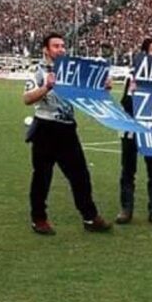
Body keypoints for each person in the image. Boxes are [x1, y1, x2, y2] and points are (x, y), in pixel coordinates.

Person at [22, 32, 111, 235]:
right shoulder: (37, 71)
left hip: (67, 129)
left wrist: (103, 87)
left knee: (80, 176)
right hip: (45, 128)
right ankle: (39, 219)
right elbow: (26, 99)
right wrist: (47, 87)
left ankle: (90, 217)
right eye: (56, 46)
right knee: (42, 177)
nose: (61, 49)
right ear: (45, 50)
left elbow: (89, 93)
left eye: (63, 46)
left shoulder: (72, 72)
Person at [116, 38, 152, 226]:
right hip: (131, 130)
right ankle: (126, 209)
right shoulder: (133, 75)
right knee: (128, 170)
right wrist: (132, 92)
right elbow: (125, 104)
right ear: (145, 54)